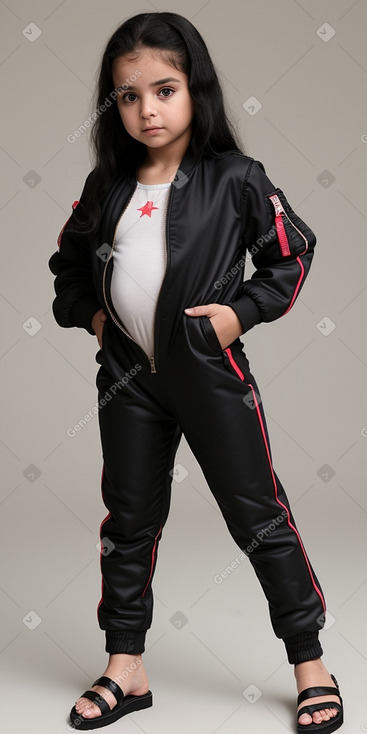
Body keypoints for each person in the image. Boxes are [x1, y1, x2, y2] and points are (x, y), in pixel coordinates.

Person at [48, 11, 344, 733]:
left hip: (209, 374)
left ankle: (309, 663)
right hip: (128, 381)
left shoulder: (235, 178)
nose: (147, 109)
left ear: (195, 91)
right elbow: (67, 271)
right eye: (127, 95)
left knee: (258, 516)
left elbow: (293, 251)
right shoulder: (105, 187)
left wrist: (237, 317)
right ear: (111, 104)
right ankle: (127, 665)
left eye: (164, 88)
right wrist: (95, 322)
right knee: (128, 522)